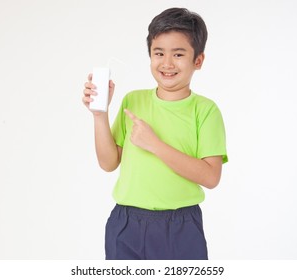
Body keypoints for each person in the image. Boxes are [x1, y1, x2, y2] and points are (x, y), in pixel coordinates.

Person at [82, 7, 228, 260]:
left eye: (179, 54)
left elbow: (211, 176)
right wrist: (100, 114)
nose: (167, 63)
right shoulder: (133, 101)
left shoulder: (205, 111)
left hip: (181, 224)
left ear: (198, 60)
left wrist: (155, 145)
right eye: (158, 53)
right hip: (127, 221)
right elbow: (108, 163)